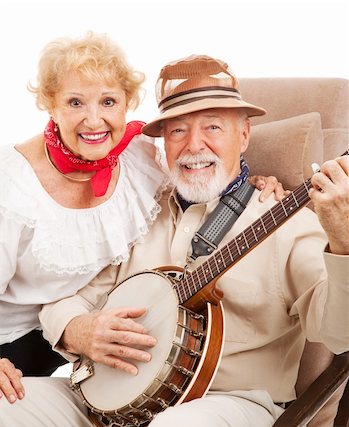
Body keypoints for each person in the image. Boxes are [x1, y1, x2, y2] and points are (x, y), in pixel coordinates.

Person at [1, 55, 339, 427]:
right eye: (178, 130)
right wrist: (78, 329)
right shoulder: (141, 211)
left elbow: (336, 330)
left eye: (213, 126)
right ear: (163, 143)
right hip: (115, 410)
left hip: (227, 408)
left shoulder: (289, 224)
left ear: (244, 136)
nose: (194, 145)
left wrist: (345, 242)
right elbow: (68, 298)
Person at [0, 35, 282, 401]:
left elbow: (202, 170)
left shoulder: (141, 161)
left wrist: (254, 185)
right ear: (50, 105)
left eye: (108, 101)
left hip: (71, 336)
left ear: (127, 104)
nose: (93, 119)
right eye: (74, 102)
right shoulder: (13, 188)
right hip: (9, 342)